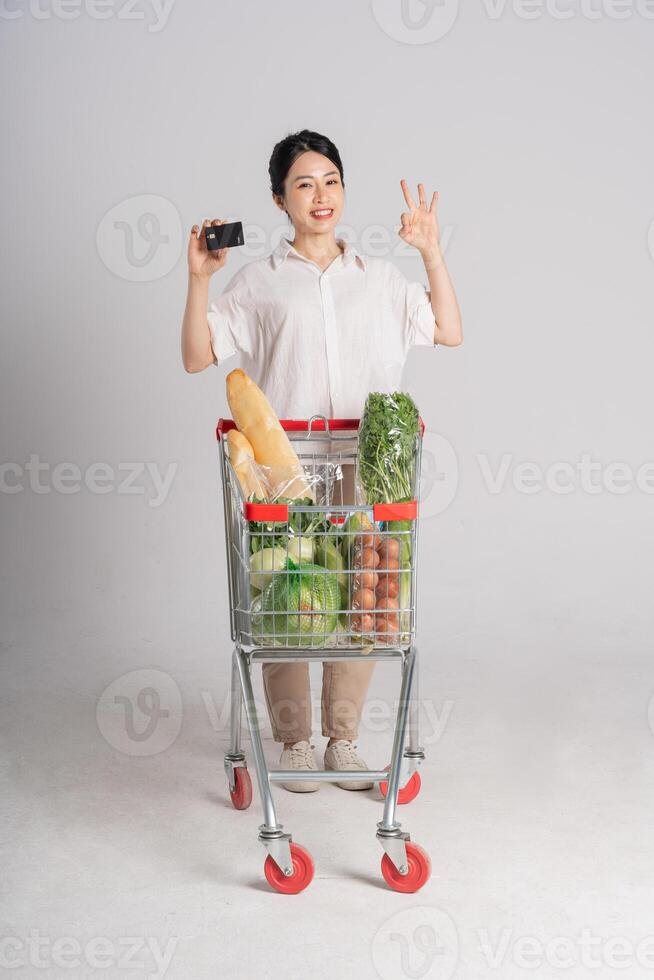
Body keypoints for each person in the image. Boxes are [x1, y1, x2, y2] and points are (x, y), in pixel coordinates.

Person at [181, 129, 463, 792]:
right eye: (305, 183)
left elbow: (447, 329)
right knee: (290, 595)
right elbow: (198, 355)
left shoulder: (380, 281)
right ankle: (295, 743)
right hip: (287, 470)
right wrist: (198, 281)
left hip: (364, 464)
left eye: (331, 181)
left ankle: (342, 740)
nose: (321, 195)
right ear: (279, 198)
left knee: (363, 600)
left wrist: (430, 253)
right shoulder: (259, 284)